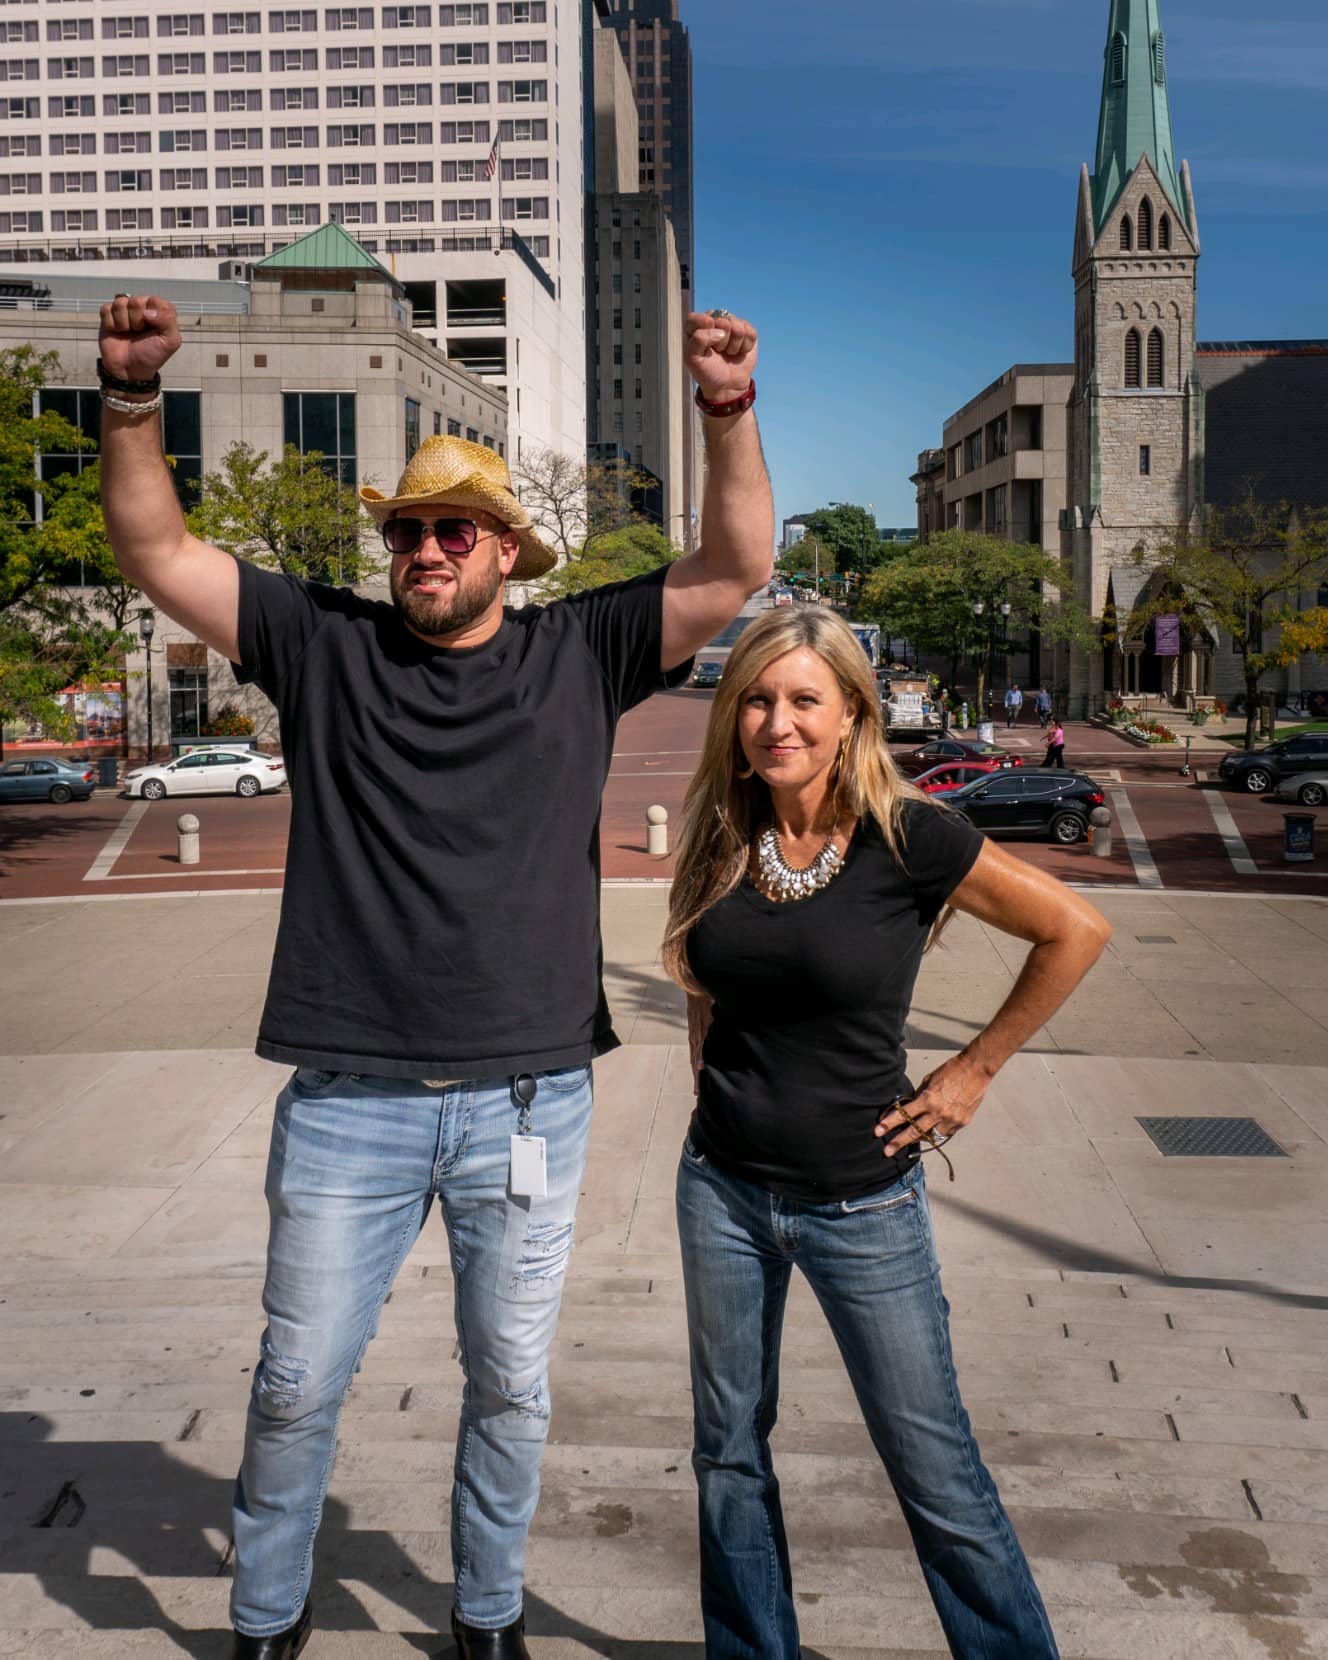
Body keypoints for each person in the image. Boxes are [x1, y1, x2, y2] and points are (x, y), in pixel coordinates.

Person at [97, 293, 774, 1660]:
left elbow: (732, 563)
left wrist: (724, 407)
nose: (422, 549)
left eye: (451, 529)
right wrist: (126, 400)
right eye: (405, 530)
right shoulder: (323, 646)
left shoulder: (580, 653)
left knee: (512, 1386)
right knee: (296, 1382)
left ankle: (485, 1616)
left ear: (506, 553)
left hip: (529, 1105)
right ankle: (268, 1620)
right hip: (349, 1098)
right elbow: (156, 544)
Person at [662, 607, 1111, 1660]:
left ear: (852, 712)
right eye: (758, 700)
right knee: (726, 1453)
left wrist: (970, 1071)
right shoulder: (723, 832)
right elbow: (697, 980)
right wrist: (710, 1090)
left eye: (803, 699)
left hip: (863, 1201)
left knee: (930, 1462)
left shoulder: (910, 833)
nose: (777, 721)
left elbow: (1073, 929)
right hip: (721, 1190)